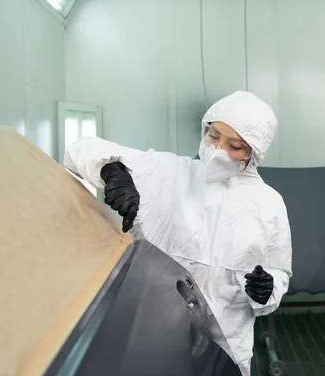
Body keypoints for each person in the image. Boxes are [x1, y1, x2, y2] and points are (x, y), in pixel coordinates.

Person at [64, 91, 293, 376]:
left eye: (234, 145)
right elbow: (79, 149)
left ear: (254, 153)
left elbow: (279, 270)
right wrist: (112, 170)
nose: (218, 150)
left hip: (226, 348)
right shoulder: (169, 173)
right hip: (154, 336)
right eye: (213, 136)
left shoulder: (269, 204)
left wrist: (268, 289)